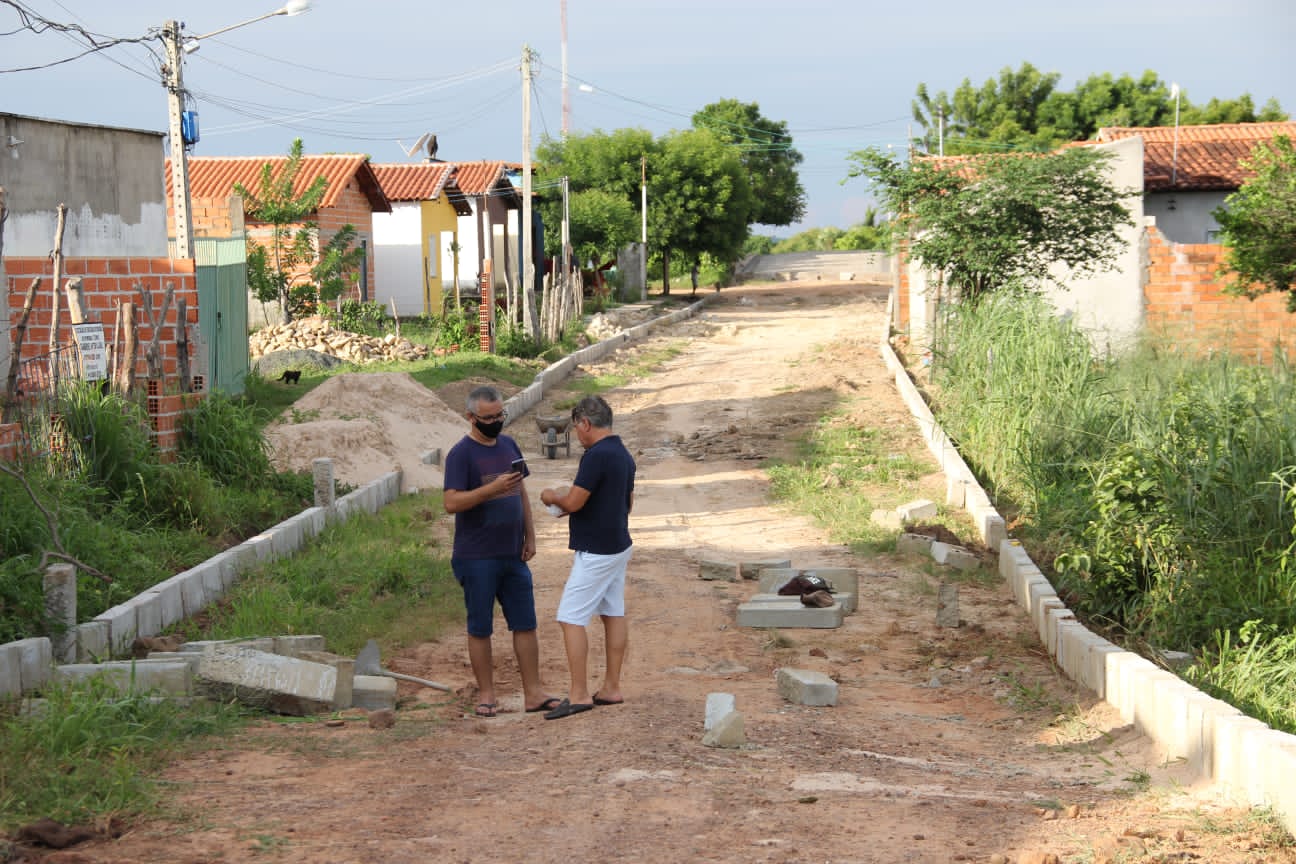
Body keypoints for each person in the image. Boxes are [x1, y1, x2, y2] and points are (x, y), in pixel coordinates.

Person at [443, 385, 560, 718]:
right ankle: (487, 694)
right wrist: (490, 489)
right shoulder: (460, 455)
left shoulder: (509, 444)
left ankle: (534, 693)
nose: (495, 421)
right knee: (480, 627)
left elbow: (521, 490)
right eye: (488, 417)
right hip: (476, 557)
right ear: (471, 418)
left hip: (513, 555)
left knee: (525, 624)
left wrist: (531, 536)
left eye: (499, 415)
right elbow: (451, 502)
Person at [539, 396, 636, 720]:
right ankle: (611, 686)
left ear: (584, 423)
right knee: (612, 612)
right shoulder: (623, 454)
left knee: (571, 617)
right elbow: (627, 502)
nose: (578, 436)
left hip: (597, 550)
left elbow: (575, 503)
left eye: (577, 428)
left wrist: (551, 496)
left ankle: (579, 693)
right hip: (618, 543)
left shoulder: (596, 456)